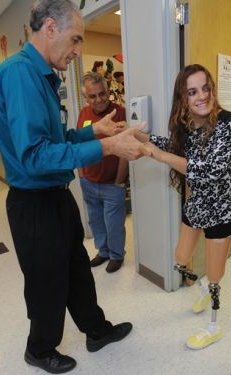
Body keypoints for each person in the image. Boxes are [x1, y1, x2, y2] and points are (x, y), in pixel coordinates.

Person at [0, 1, 148, 373]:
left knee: (76, 266)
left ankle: (96, 330)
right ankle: (40, 348)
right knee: (46, 279)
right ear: (49, 29)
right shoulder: (20, 75)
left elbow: (56, 139)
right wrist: (108, 147)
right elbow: (34, 156)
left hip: (56, 197)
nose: (78, 51)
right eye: (75, 39)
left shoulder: (43, 77)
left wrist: (93, 131)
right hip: (33, 202)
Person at [135, 64, 231, 350]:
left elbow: (211, 170)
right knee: (181, 257)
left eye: (205, 88)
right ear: (183, 98)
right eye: (192, 92)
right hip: (198, 204)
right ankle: (204, 288)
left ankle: (213, 325)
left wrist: (160, 157)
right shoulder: (188, 126)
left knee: (215, 271)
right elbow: (171, 146)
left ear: (212, 89)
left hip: (224, 207)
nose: (201, 97)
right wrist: (141, 139)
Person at [77, 72, 128, 273]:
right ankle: (103, 251)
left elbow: (125, 150)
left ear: (108, 92)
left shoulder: (120, 113)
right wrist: (81, 173)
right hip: (88, 181)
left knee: (114, 224)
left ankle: (116, 255)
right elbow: (78, 144)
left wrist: (118, 181)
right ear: (86, 97)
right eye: (93, 96)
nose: (99, 100)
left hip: (111, 183)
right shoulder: (83, 114)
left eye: (102, 94)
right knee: (96, 221)